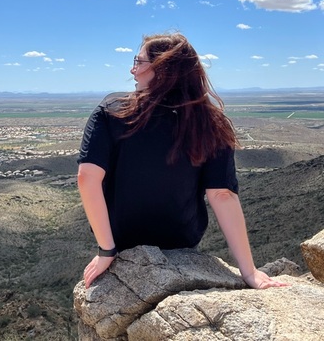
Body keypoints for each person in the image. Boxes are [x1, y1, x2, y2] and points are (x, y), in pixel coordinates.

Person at [77, 32, 287, 290]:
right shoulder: (211, 122)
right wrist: (249, 271)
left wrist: (106, 249)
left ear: (162, 69)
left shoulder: (112, 110)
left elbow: (87, 177)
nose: (132, 70)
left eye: (139, 62)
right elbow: (222, 195)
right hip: (180, 242)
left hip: (123, 241)